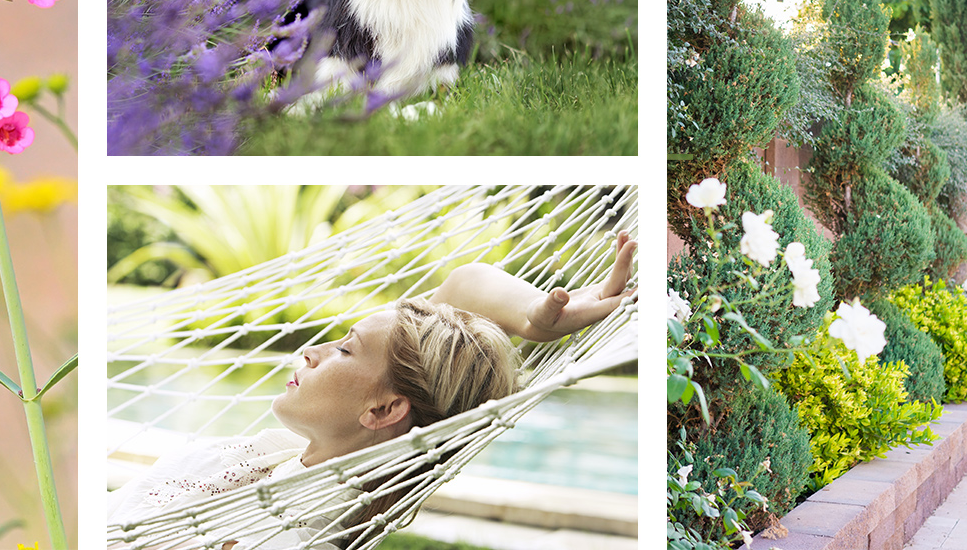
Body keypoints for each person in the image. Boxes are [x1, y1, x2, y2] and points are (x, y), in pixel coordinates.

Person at [107, 232, 637, 542]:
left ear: (383, 410)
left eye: (343, 349)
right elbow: (461, 285)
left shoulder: (289, 526)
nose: (309, 352)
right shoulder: (285, 461)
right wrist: (530, 317)